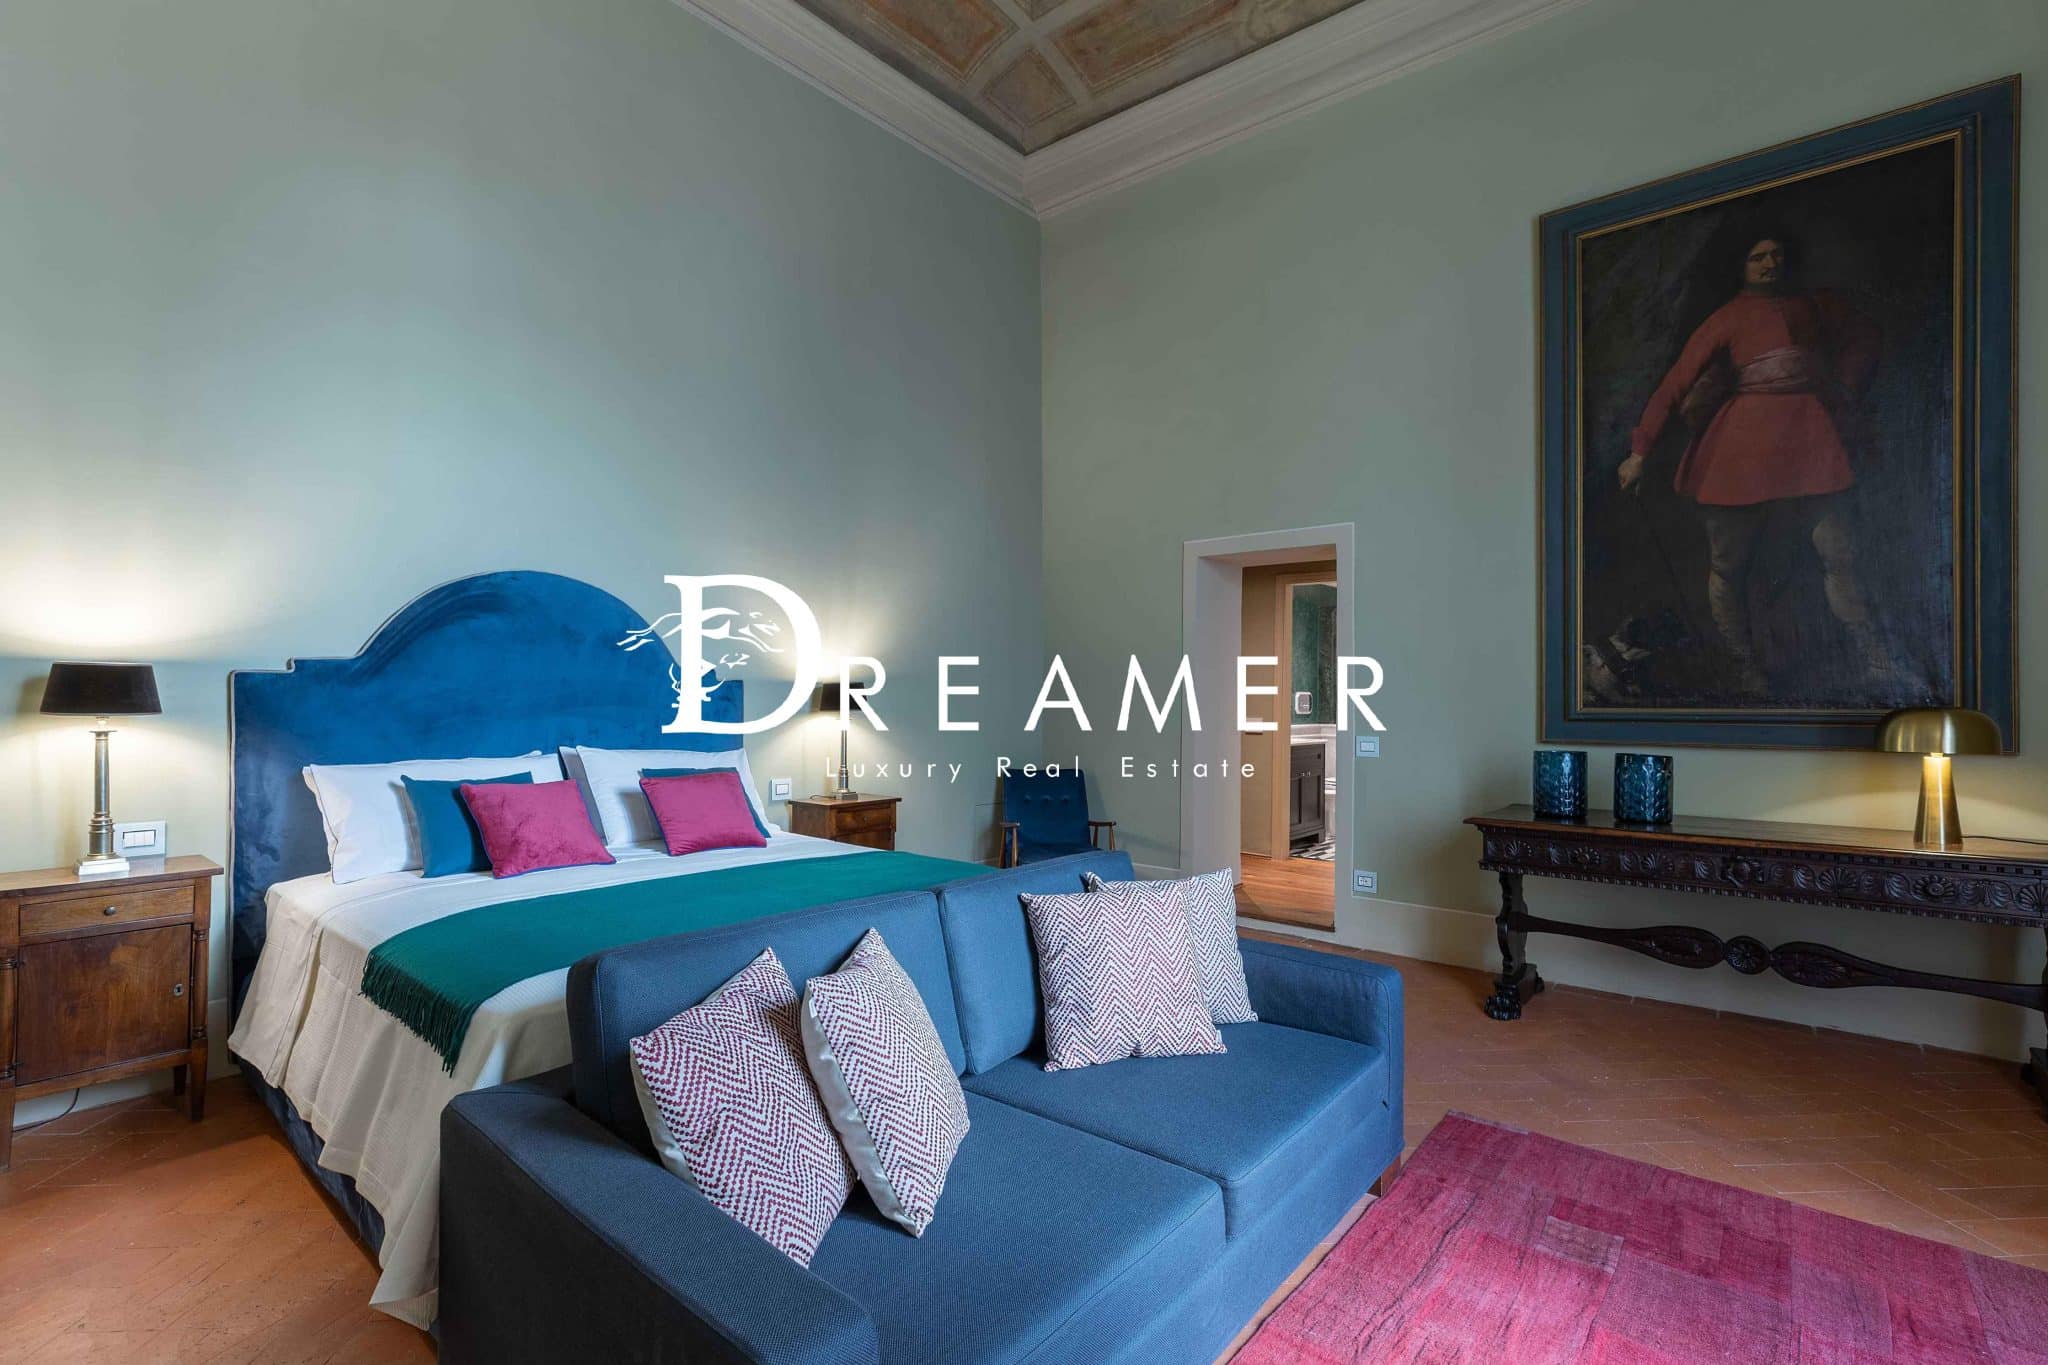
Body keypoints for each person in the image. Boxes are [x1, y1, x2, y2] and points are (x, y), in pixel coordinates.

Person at [1619, 233, 1883, 693]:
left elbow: (1865, 336)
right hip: (1742, 451)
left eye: (1776, 255)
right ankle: (1744, 667)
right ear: (1739, 265)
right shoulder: (1726, 317)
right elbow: (1675, 383)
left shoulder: (1815, 305)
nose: (1769, 263)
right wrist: (1640, 452)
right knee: (1730, 566)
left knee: (1840, 553)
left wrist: (1844, 383)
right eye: (1757, 257)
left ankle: (1876, 657)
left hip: (1812, 443)